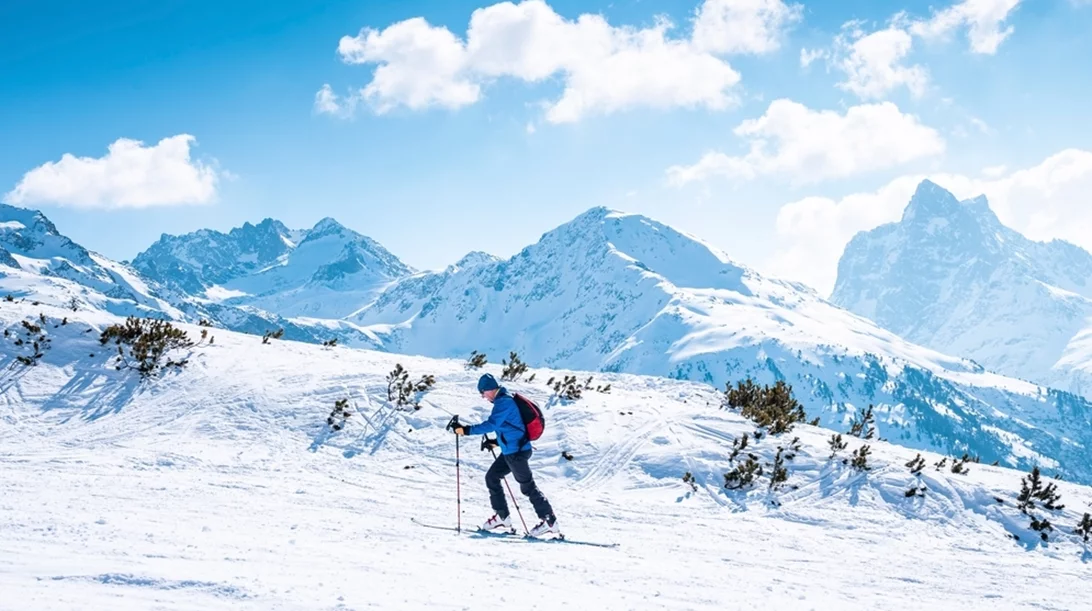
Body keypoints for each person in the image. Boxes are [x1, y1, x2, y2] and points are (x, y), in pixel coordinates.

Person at [451, 373, 559, 537]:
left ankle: (549, 520)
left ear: (489, 389)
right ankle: (503, 517)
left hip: (517, 452)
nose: (483, 397)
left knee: (527, 486)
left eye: (483, 393)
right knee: (492, 477)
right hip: (511, 450)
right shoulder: (504, 400)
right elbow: (509, 426)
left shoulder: (504, 402)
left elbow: (492, 424)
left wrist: (466, 430)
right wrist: (496, 442)